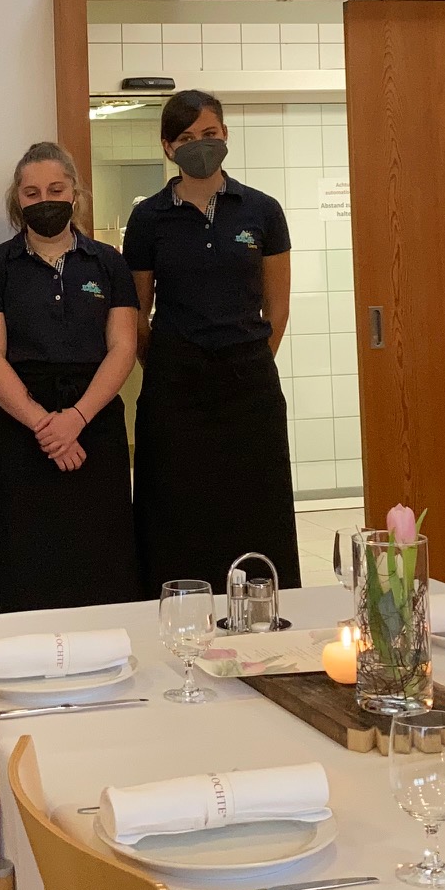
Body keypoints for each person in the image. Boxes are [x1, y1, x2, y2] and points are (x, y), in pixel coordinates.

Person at [124, 91, 297, 597]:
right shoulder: (148, 218)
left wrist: (249, 358)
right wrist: (169, 363)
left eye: (209, 134)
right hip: (175, 388)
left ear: (225, 136)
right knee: (175, 509)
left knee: (256, 504)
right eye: (185, 137)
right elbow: (138, 313)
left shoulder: (262, 210)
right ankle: (177, 611)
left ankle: (262, 609)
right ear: (167, 147)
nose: (199, 144)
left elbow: (278, 308)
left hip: (249, 388)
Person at [0, 142, 140, 613]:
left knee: (100, 556)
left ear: (75, 194)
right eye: (32, 192)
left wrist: (76, 419)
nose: (44, 199)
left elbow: (123, 348)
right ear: (17, 199)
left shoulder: (109, 263)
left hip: (94, 423)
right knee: (21, 559)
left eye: (55, 189)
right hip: (19, 427)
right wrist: (46, 426)